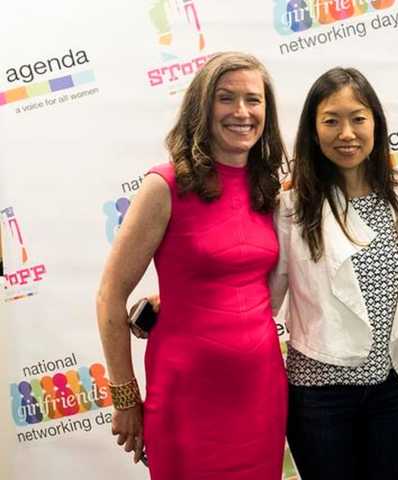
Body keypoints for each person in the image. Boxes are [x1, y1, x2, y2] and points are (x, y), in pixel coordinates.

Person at [95, 52, 288, 479]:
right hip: (186, 397)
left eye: (253, 101)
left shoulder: (269, 188)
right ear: (202, 106)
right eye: (226, 98)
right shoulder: (165, 185)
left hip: (260, 393)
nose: (241, 112)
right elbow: (110, 294)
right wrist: (126, 399)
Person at [270, 67, 398, 480]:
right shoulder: (291, 206)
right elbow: (260, 294)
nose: (347, 133)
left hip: (391, 388)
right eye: (331, 120)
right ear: (312, 129)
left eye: (358, 118)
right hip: (319, 393)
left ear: (375, 121)